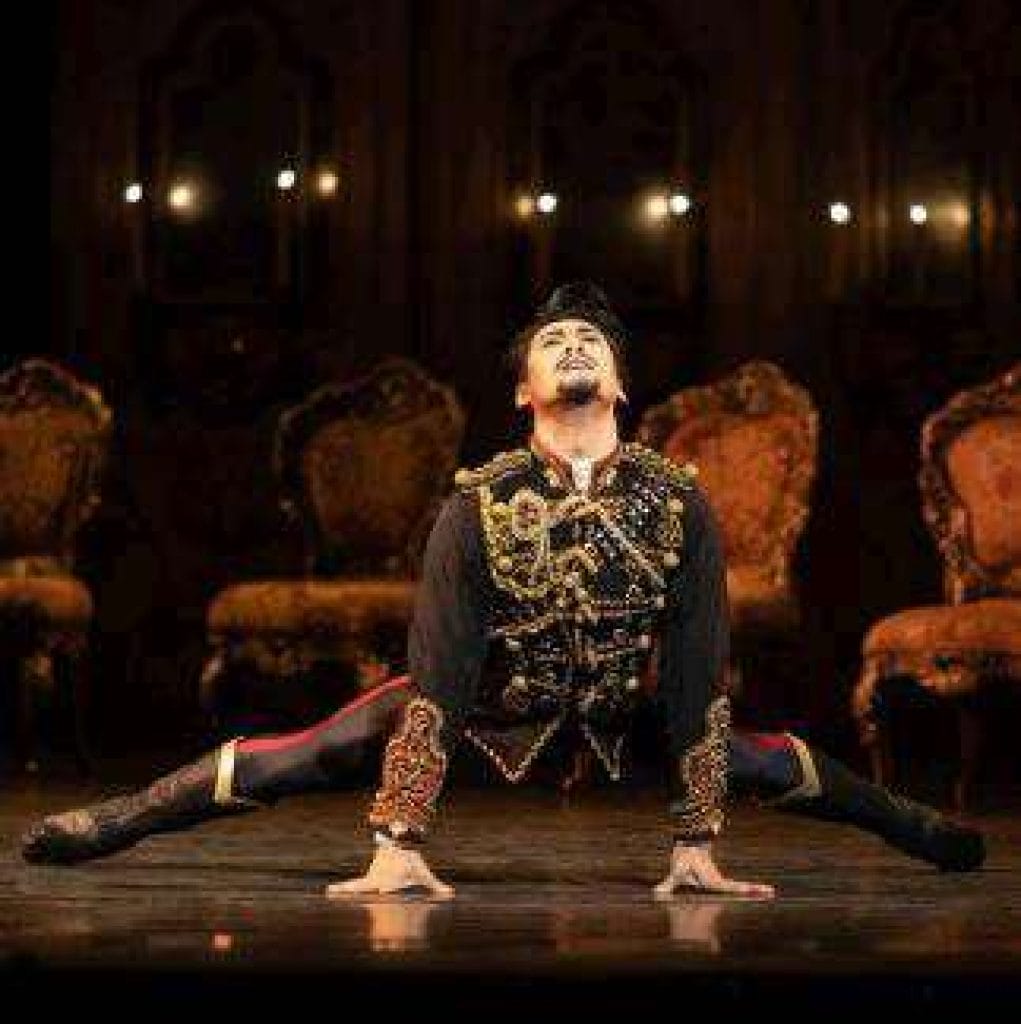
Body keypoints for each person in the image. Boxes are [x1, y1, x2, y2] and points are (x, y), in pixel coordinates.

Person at [22, 282, 985, 898]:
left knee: (766, 758)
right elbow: (440, 665)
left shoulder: (676, 502)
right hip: (485, 701)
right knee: (307, 752)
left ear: (620, 383)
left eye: (589, 340)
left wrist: (695, 843)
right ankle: (114, 824)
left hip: (623, 707)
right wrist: (399, 839)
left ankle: (926, 833)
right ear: (522, 389)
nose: (573, 345)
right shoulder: (476, 502)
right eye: (552, 340)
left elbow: (697, 663)